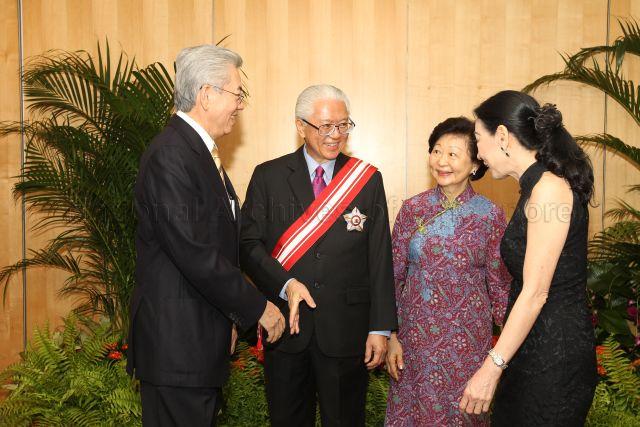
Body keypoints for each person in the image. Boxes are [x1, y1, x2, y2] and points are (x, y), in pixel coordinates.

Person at [127, 45, 285, 426]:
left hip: (196, 346)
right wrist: (256, 308)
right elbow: (195, 253)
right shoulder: (171, 154)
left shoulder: (197, 152)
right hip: (176, 351)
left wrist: (226, 323)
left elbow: (222, 245)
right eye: (237, 93)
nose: (241, 105)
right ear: (206, 94)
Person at [240, 84, 397, 426]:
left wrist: (381, 328)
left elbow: (380, 257)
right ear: (301, 126)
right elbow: (248, 245)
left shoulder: (367, 180)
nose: (336, 135)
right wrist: (285, 284)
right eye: (326, 126)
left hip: (347, 330)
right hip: (286, 326)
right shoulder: (268, 176)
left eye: (343, 125)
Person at [459, 90, 597, 426]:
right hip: (532, 348)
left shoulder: (549, 189)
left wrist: (491, 368)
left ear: (503, 136)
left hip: (554, 356)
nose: (478, 153)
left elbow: (535, 292)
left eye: (478, 139)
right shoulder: (535, 188)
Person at [384, 117, 511, 426]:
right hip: (414, 346)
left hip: (467, 347)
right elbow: (392, 278)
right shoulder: (412, 210)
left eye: (453, 154)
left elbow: (499, 287)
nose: (441, 161)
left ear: (474, 164)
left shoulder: (490, 216)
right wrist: (392, 335)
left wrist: (510, 348)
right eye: (436, 151)